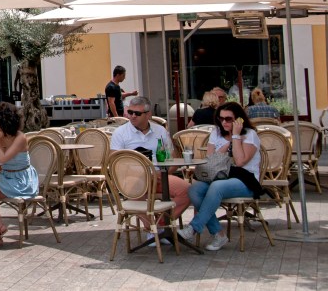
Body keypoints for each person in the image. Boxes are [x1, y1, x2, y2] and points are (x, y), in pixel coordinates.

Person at [177, 102, 263, 252]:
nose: (224, 122)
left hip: (246, 179)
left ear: (239, 119)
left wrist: (235, 135)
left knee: (216, 187)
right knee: (194, 190)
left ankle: (193, 227)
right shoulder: (216, 132)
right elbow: (211, 159)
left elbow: (241, 161)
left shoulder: (250, 134)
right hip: (219, 176)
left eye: (228, 119)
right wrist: (227, 144)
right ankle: (219, 233)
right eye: (221, 118)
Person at [110, 96, 190, 243]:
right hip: (133, 178)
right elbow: (115, 162)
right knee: (135, 190)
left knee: (188, 191)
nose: (132, 116)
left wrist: (163, 173)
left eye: (137, 113)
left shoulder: (159, 130)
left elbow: (174, 157)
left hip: (159, 175)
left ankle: (160, 227)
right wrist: (142, 174)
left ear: (148, 114)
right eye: (130, 112)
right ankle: (153, 230)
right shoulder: (120, 133)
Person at [0, 102, 38, 247]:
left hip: (21, 181)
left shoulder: (20, 138)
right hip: (7, 177)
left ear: (2, 122)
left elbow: (2, 158)